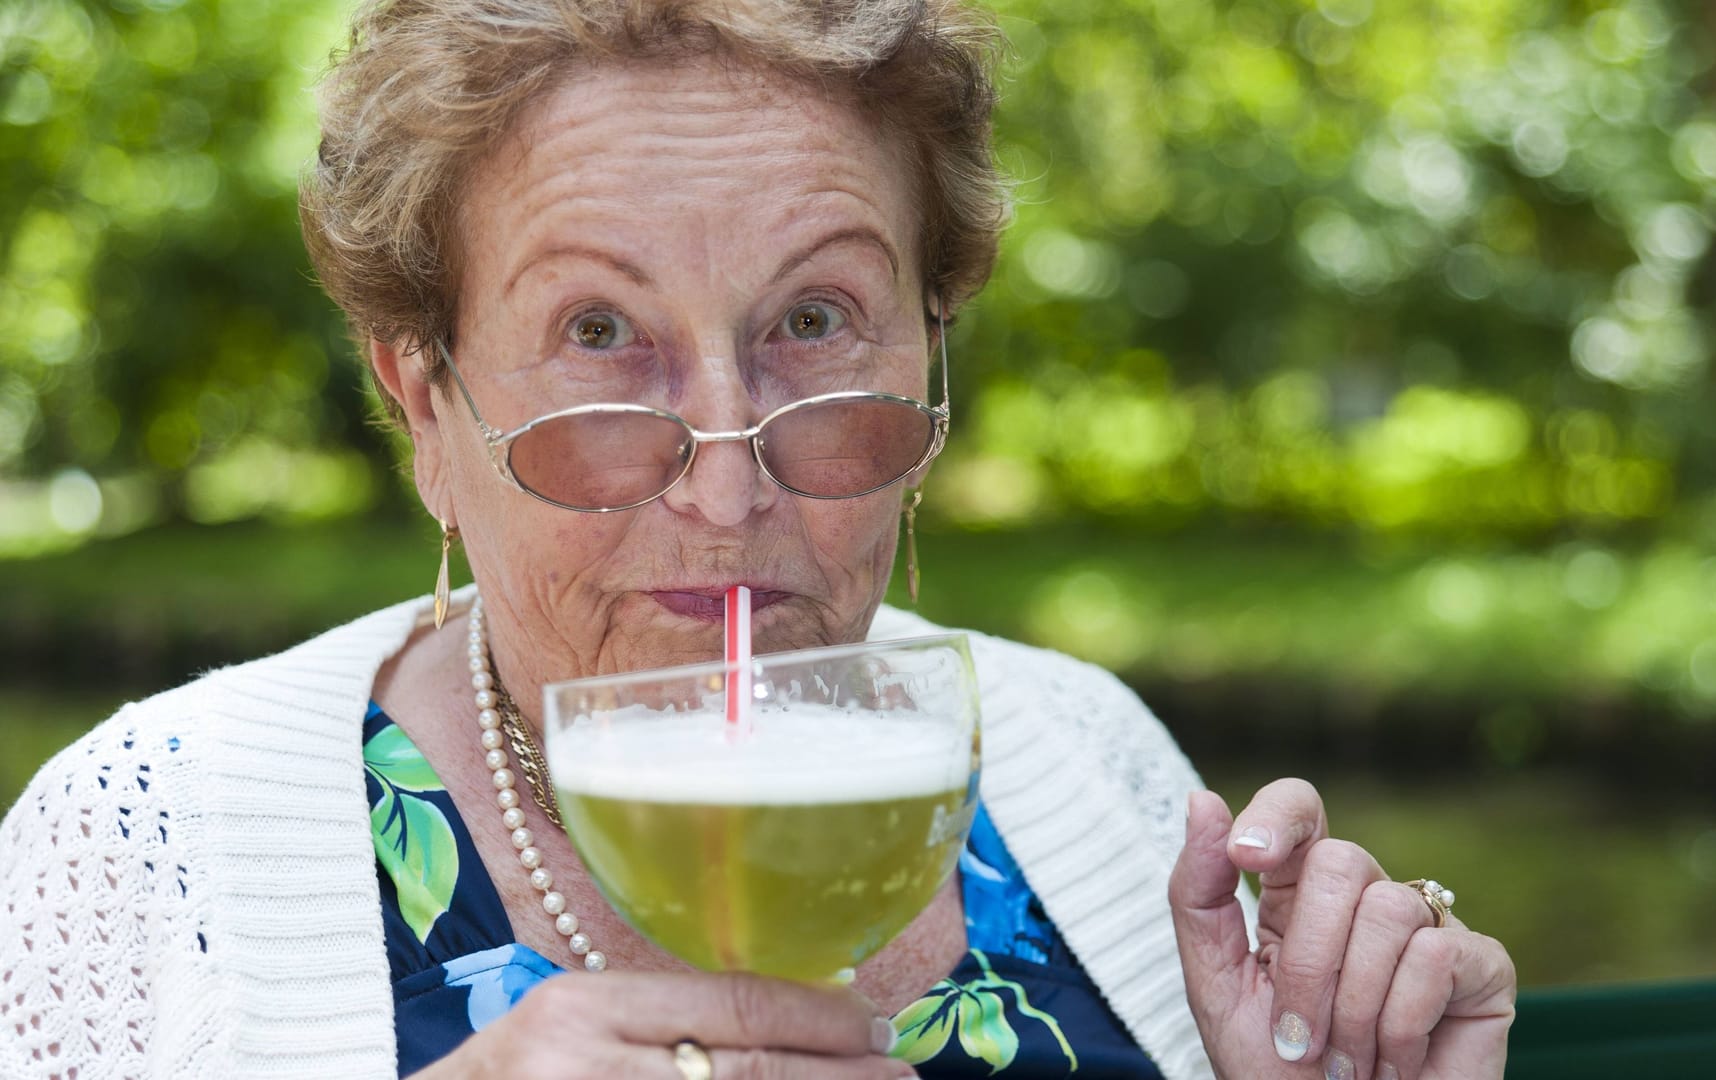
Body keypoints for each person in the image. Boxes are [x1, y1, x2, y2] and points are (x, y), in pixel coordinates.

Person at [0, 0, 1516, 1076]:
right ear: (425, 409)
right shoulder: (144, 858)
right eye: (599, 331)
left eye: (812, 321)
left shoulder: (1090, 758)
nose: (728, 490)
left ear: (932, 354)